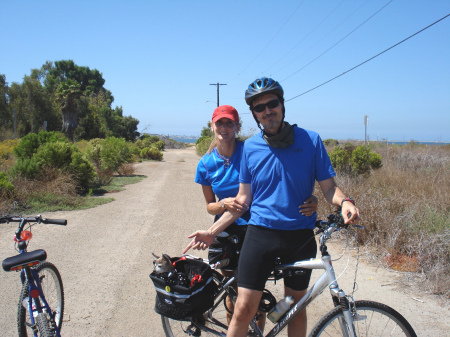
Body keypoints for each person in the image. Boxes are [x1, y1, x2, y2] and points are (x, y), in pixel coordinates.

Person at [184, 77, 360, 337]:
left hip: (300, 237)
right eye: (259, 107)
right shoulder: (251, 148)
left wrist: (345, 202)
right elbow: (243, 201)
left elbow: (329, 188)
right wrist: (213, 231)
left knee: (296, 309)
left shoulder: (311, 141)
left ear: (282, 104)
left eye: (272, 103)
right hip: (261, 235)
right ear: (254, 114)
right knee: (244, 307)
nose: (267, 110)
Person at [195, 104, 318, 327]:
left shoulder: (251, 148)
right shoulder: (205, 164)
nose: (224, 128)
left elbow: (282, 178)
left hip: (258, 228)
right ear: (212, 127)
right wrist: (223, 203)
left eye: (229, 123)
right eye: (219, 123)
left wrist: (313, 197)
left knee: (255, 295)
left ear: (237, 126)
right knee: (234, 295)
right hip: (229, 228)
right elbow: (209, 207)